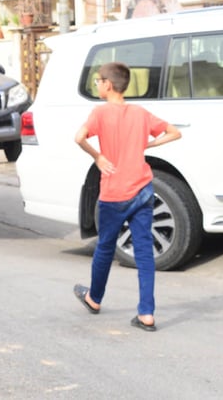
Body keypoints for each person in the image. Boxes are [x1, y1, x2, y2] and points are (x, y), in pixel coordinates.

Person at [72, 61, 181, 332]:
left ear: (108, 85)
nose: (97, 84)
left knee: (106, 247)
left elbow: (78, 137)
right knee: (144, 252)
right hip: (142, 190)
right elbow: (175, 132)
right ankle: (146, 314)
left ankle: (94, 298)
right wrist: (150, 143)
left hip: (114, 193)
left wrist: (98, 157)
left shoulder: (100, 113)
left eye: (98, 81)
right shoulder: (140, 113)